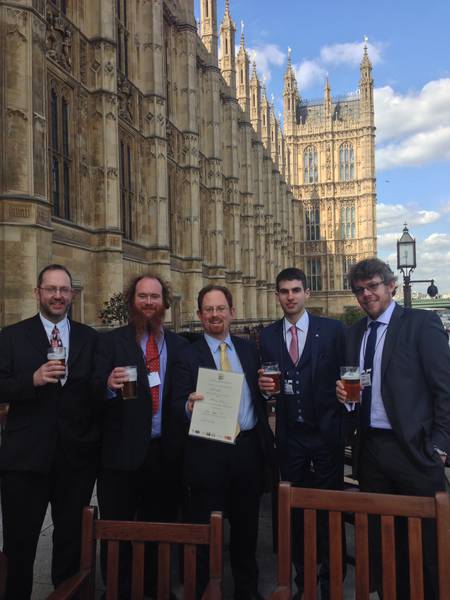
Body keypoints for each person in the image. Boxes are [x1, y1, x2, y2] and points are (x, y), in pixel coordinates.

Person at [336, 257, 450, 599]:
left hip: (415, 449)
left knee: (427, 542)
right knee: (384, 540)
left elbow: (445, 389)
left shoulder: (421, 323)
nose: (366, 294)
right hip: (371, 449)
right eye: (360, 290)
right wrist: (347, 399)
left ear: (391, 286)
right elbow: (358, 389)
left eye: (373, 286)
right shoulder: (354, 333)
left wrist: (440, 445)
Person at [0, 264, 98, 600]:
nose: (57, 296)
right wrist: (32, 380)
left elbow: (96, 391)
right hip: (25, 460)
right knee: (19, 544)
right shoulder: (11, 336)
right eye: (50, 289)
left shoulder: (89, 337)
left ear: (72, 295)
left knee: (71, 544)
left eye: (63, 290)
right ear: (37, 293)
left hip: (75, 461)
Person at [173, 284, 275, 600]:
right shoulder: (186, 356)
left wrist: (268, 391)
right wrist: (187, 407)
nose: (215, 315)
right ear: (200, 315)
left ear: (232, 312)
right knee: (207, 529)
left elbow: (261, 395)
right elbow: (176, 403)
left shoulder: (249, 350)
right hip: (208, 452)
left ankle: (247, 591)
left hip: (246, 451)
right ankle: (205, 589)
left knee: (246, 530)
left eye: (221, 309)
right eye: (209, 310)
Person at [94, 272, 189, 599]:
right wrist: (106, 386)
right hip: (120, 456)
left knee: (159, 527)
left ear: (165, 302)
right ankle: (116, 590)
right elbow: (89, 392)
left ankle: (154, 586)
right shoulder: (110, 342)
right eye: (142, 296)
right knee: (116, 529)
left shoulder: (179, 345)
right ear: (131, 301)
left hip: (164, 454)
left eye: (154, 297)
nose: (148, 303)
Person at [258, 267, 346, 600]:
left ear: (306, 293)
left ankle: (330, 584)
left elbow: (352, 376)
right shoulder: (267, 336)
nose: (290, 297)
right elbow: (269, 388)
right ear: (277, 295)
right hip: (291, 439)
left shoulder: (333, 330)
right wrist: (265, 390)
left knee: (328, 512)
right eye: (284, 291)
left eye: (296, 290)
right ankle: (301, 582)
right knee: (293, 514)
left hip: (326, 437)